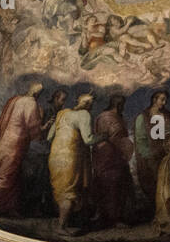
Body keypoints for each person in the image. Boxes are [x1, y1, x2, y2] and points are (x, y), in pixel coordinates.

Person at [0, 82, 43, 216]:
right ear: (37, 93)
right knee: (6, 175)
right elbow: (33, 126)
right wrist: (42, 130)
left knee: (3, 171)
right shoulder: (31, 103)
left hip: (4, 140)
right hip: (15, 144)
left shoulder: (15, 100)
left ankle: (4, 206)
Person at [47, 92, 100, 231]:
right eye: (92, 104)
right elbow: (88, 139)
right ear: (89, 105)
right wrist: (104, 136)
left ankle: (63, 220)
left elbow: (49, 137)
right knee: (69, 192)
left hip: (55, 156)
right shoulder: (84, 115)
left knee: (60, 189)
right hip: (71, 157)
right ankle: (61, 226)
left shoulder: (61, 113)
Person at [92, 94, 134, 226]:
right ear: (118, 105)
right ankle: (113, 219)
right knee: (113, 186)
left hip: (109, 156)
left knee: (113, 185)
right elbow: (115, 137)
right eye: (122, 105)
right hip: (110, 156)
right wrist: (126, 149)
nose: (123, 108)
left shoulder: (105, 116)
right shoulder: (109, 117)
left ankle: (108, 216)